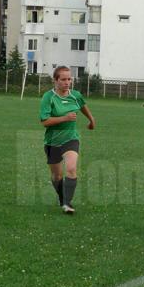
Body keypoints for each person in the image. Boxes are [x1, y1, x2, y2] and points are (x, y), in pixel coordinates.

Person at [40, 66, 95, 214]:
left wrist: (91, 120)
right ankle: (62, 197)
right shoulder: (48, 97)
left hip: (71, 138)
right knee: (57, 176)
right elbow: (44, 121)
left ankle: (67, 204)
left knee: (71, 168)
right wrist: (65, 118)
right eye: (63, 79)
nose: (67, 82)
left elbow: (83, 106)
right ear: (55, 80)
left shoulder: (75, 95)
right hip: (52, 141)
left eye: (69, 79)